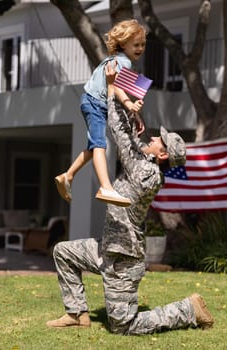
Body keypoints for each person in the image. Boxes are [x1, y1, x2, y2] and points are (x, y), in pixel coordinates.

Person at [46, 63, 214, 334]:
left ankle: (188, 309)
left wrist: (112, 87)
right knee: (63, 252)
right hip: (108, 249)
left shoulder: (146, 172)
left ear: (162, 155)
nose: (155, 137)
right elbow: (131, 141)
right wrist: (130, 111)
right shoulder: (147, 165)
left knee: (124, 325)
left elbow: (119, 134)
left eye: (160, 140)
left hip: (123, 260)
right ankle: (76, 313)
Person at [54, 19, 146, 207]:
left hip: (92, 101)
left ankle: (67, 175)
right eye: (136, 44)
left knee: (92, 148)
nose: (140, 48)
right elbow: (119, 89)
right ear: (123, 44)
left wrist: (135, 115)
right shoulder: (123, 62)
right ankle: (105, 187)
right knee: (99, 144)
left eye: (143, 44)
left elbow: (121, 90)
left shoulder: (119, 60)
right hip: (95, 103)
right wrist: (130, 105)